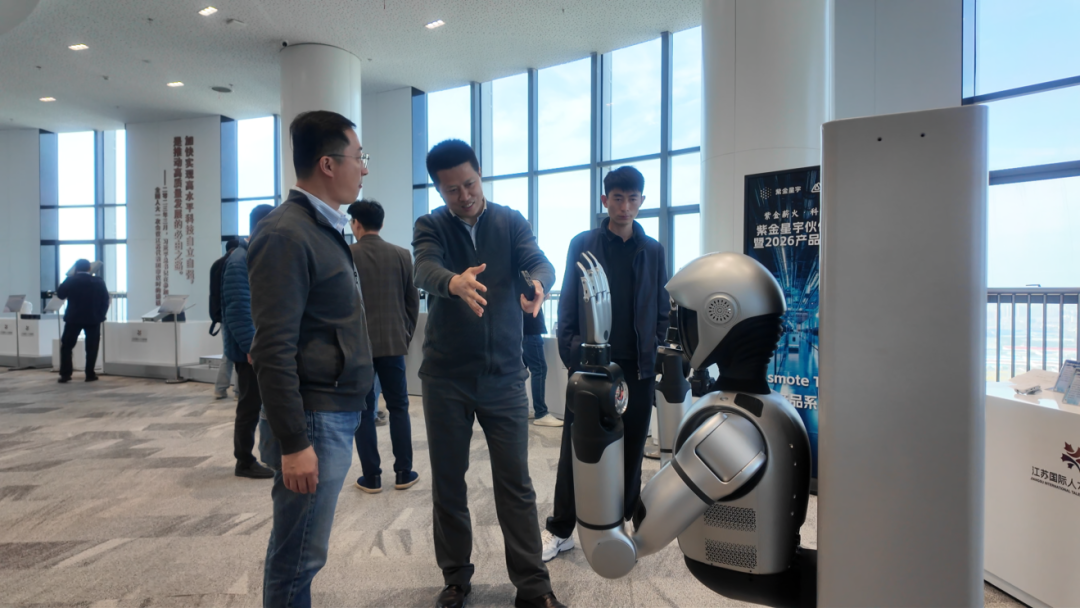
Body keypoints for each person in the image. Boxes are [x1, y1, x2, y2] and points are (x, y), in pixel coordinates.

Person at [413, 139, 565, 608]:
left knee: (516, 484)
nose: (464, 196)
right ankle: (456, 579)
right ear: (439, 190)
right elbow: (423, 267)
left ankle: (533, 587)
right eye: (452, 189)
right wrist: (452, 281)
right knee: (449, 483)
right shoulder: (431, 226)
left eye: (470, 184)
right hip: (446, 378)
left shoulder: (509, 221)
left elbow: (538, 260)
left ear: (481, 175)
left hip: (504, 377)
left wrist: (538, 283)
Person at [248, 110, 374, 608]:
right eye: (358, 157)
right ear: (327, 163)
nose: (363, 168)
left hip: (332, 409)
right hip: (313, 418)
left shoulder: (322, 227)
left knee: (302, 551)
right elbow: (272, 348)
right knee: (298, 555)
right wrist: (295, 442)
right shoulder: (287, 233)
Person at [542, 166, 669, 562]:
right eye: (617, 198)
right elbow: (567, 305)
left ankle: (622, 521)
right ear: (605, 200)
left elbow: (662, 308)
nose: (625, 206)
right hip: (592, 368)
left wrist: (656, 346)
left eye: (632, 199)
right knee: (576, 449)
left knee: (632, 448)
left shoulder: (653, 250)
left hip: (638, 368)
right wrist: (573, 354)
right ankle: (561, 529)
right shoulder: (583, 243)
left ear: (642, 201)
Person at [346, 199, 420, 494]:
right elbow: (411, 302)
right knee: (399, 407)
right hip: (393, 344)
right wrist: (404, 335)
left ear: (356, 224)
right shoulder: (401, 255)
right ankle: (403, 472)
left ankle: (372, 477)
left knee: (364, 411)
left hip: (358, 348)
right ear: (382, 223)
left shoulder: (346, 254)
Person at [221, 206, 276, 480]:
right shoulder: (239, 261)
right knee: (249, 406)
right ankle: (243, 460)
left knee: (263, 404)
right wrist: (252, 346)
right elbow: (238, 309)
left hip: (263, 346)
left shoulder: (255, 255)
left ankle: (268, 454)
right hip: (251, 352)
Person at [55, 258, 110, 383]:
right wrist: (101, 315)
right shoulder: (98, 281)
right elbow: (105, 299)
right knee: (92, 347)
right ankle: (90, 374)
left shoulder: (71, 280)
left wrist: (68, 277)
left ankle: (65, 374)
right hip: (93, 318)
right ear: (89, 268)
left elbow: (60, 295)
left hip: (73, 318)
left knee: (67, 346)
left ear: (75, 268)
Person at [210, 238, 240, 399]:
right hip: (234, 314)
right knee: (240, 353)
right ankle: (239, 391)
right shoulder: (234, 264)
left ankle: (220, 389)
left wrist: (216, 315)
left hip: (222, 315)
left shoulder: (217, 264)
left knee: (228, 353)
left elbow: (213, 294)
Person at [523, 309, 560, 427]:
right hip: (530, 331)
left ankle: (522, 409)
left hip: (522, 330)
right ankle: (541, 413)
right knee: (539, 369)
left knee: (520, 372)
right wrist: (541, 298)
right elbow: (528, 306)